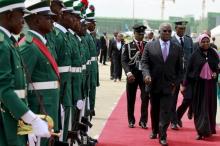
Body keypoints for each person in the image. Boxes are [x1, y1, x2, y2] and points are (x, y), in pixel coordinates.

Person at [0, 1, 50, 146]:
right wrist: (31, 119)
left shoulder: (8, 42)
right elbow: (4, 89)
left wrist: (27, 122)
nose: (24, 21)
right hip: (6, 121)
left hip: (14, 117)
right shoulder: (2, 44)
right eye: (21, 15)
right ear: (9, 15)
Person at [19, 1, 60, 146]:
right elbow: (21, 83)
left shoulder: (42, 43)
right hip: (38, 108)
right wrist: (27, 119)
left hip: (48, 105)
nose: (52, 21)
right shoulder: (29, 46)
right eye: (48, 18)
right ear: (37, 20)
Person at [141, 23, 183, 146]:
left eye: (169, 31)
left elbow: (180, 69)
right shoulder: (150, 46)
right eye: (164, 31)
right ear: (159, 32)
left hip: (169, 86)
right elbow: (144, 63)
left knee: (166, 110)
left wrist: (176, 82)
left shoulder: (177, 47)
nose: (167, 33)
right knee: (155, 110)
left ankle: (163, 135)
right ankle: (154, 130)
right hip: (153, 84)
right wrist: (146, 75)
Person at [183, 33, 219, 140]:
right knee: (199, 109)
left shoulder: (214, 53)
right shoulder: (195, 55)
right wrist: (184, 84)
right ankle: (200, 131)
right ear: (199, 42)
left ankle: (208, 130)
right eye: (203, 42)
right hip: (199, 86)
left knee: (209, 108)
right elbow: (188, 70)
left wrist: (216, 73)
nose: (206, 43)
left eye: (207, 41)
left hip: (211, 86)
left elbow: (217, 67)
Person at [121, 24, 149, 129]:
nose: (141, 36)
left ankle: (143, 121)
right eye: (138, 34)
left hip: (144, 75)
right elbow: (124, 61)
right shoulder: (127, 46)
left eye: (142, 34)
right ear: (134, 34)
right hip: (132, 75)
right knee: (131, 98)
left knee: (145, 97)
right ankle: (131, 120)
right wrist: (128, 73)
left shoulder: (147, 45)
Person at [170, 20, 194, 130]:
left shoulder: (189, 40)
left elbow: (192, 57)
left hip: (187, 74)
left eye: (184, 29)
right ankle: (173, 121)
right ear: (176, 28)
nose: (182, 30)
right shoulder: (170, 40)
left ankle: (178, 115)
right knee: (173, 99)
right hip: (174, 74)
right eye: (180, 28)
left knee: (189, 97)